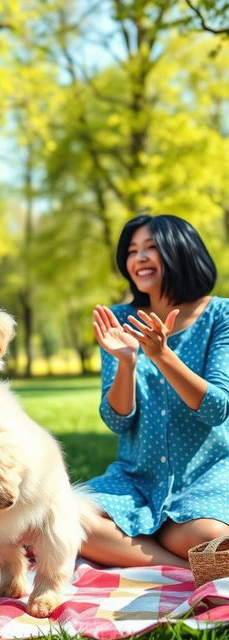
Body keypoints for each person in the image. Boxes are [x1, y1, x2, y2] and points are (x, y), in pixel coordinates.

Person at [81, 214, 229, 569]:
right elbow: (117, 421)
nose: (139, 258)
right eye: (132, 251)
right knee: (62, 516)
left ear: (182, 250)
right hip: (135, 480)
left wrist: (162, 355)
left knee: (212, 542)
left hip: (205, 478)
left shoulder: (221, 316)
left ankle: (146, 543)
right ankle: (178, 569)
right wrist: (127, 362)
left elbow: (216, 408)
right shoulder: (118, 320)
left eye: (151, 247)